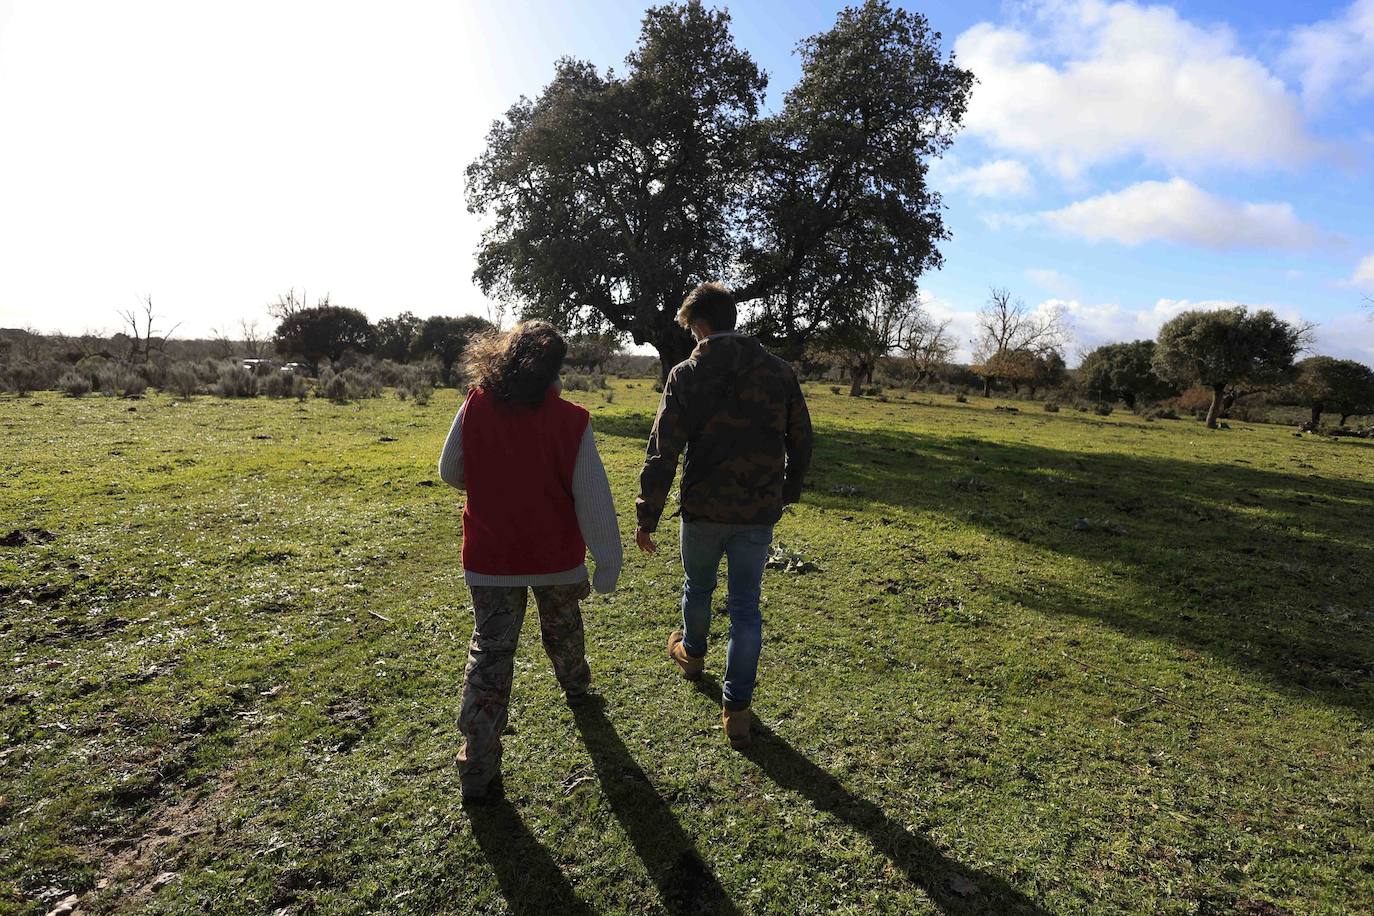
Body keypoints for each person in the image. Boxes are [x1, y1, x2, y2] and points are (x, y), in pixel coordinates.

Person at [438, 320, 622, 801]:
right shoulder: (572, 420)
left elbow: (450, 470)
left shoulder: (476, 404)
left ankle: (478, 761)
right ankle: (577, 687)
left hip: (490, 558)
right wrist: (608, 561)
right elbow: (594, 500)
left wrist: (491, 491)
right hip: (555, 558)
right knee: (563, 626)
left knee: (491, 655)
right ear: (555, 370)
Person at [635, 282, 813, 749]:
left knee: (698, 586)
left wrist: (647, 514)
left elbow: (663, 451)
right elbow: (802, 439)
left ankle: (692, 655)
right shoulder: (779, 372)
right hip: (758, 510)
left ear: (699, 326)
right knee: (745, 609)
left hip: (702, 509)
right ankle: (737, 710)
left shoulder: (686, 374)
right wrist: (786, 491)